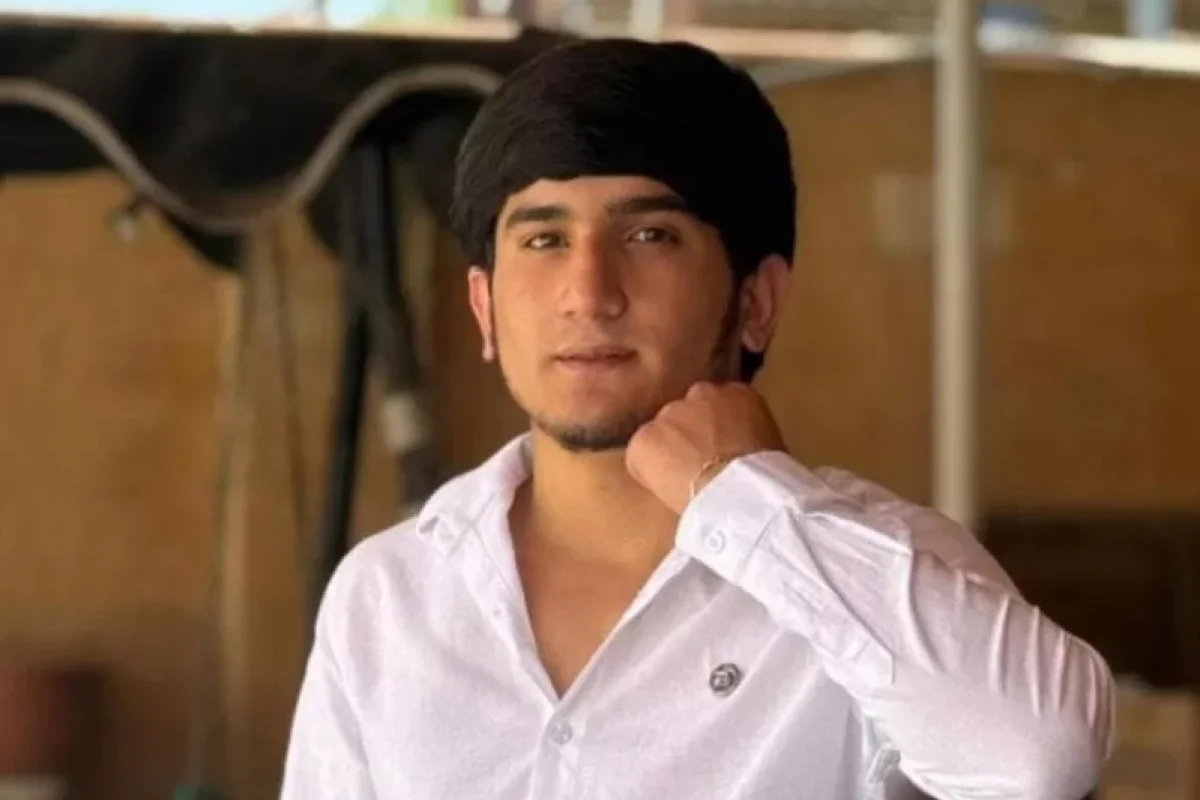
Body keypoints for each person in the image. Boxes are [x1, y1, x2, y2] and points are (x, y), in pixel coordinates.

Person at [280, 38, 1114, 800]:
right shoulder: (390, 595)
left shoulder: (876, 573)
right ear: (484, 307)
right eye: (543, 240)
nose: (588, 294)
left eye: (649, 235)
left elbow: (1040, 759)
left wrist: (746, 501)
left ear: (756, 302)